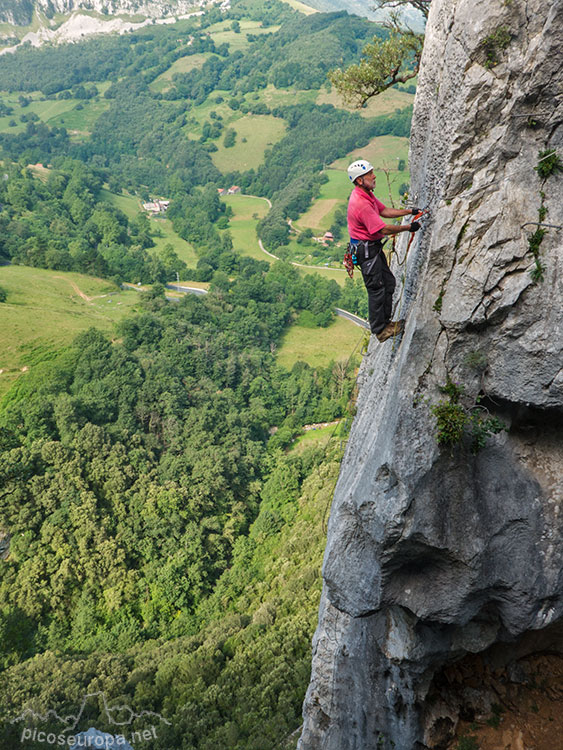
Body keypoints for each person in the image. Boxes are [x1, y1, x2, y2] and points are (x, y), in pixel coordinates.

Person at [347, 159, 421, 342]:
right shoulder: (361, 203)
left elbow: (384, 210)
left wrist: (409, 212)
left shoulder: (366, 195)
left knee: (388, 283)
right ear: (359, 180)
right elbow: (382, 230)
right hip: (366, 253)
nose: (374, 176)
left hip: (370, 250)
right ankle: (380, 330)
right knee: (377, 289)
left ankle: (386, 323)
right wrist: (408, 228)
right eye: (369, 174)